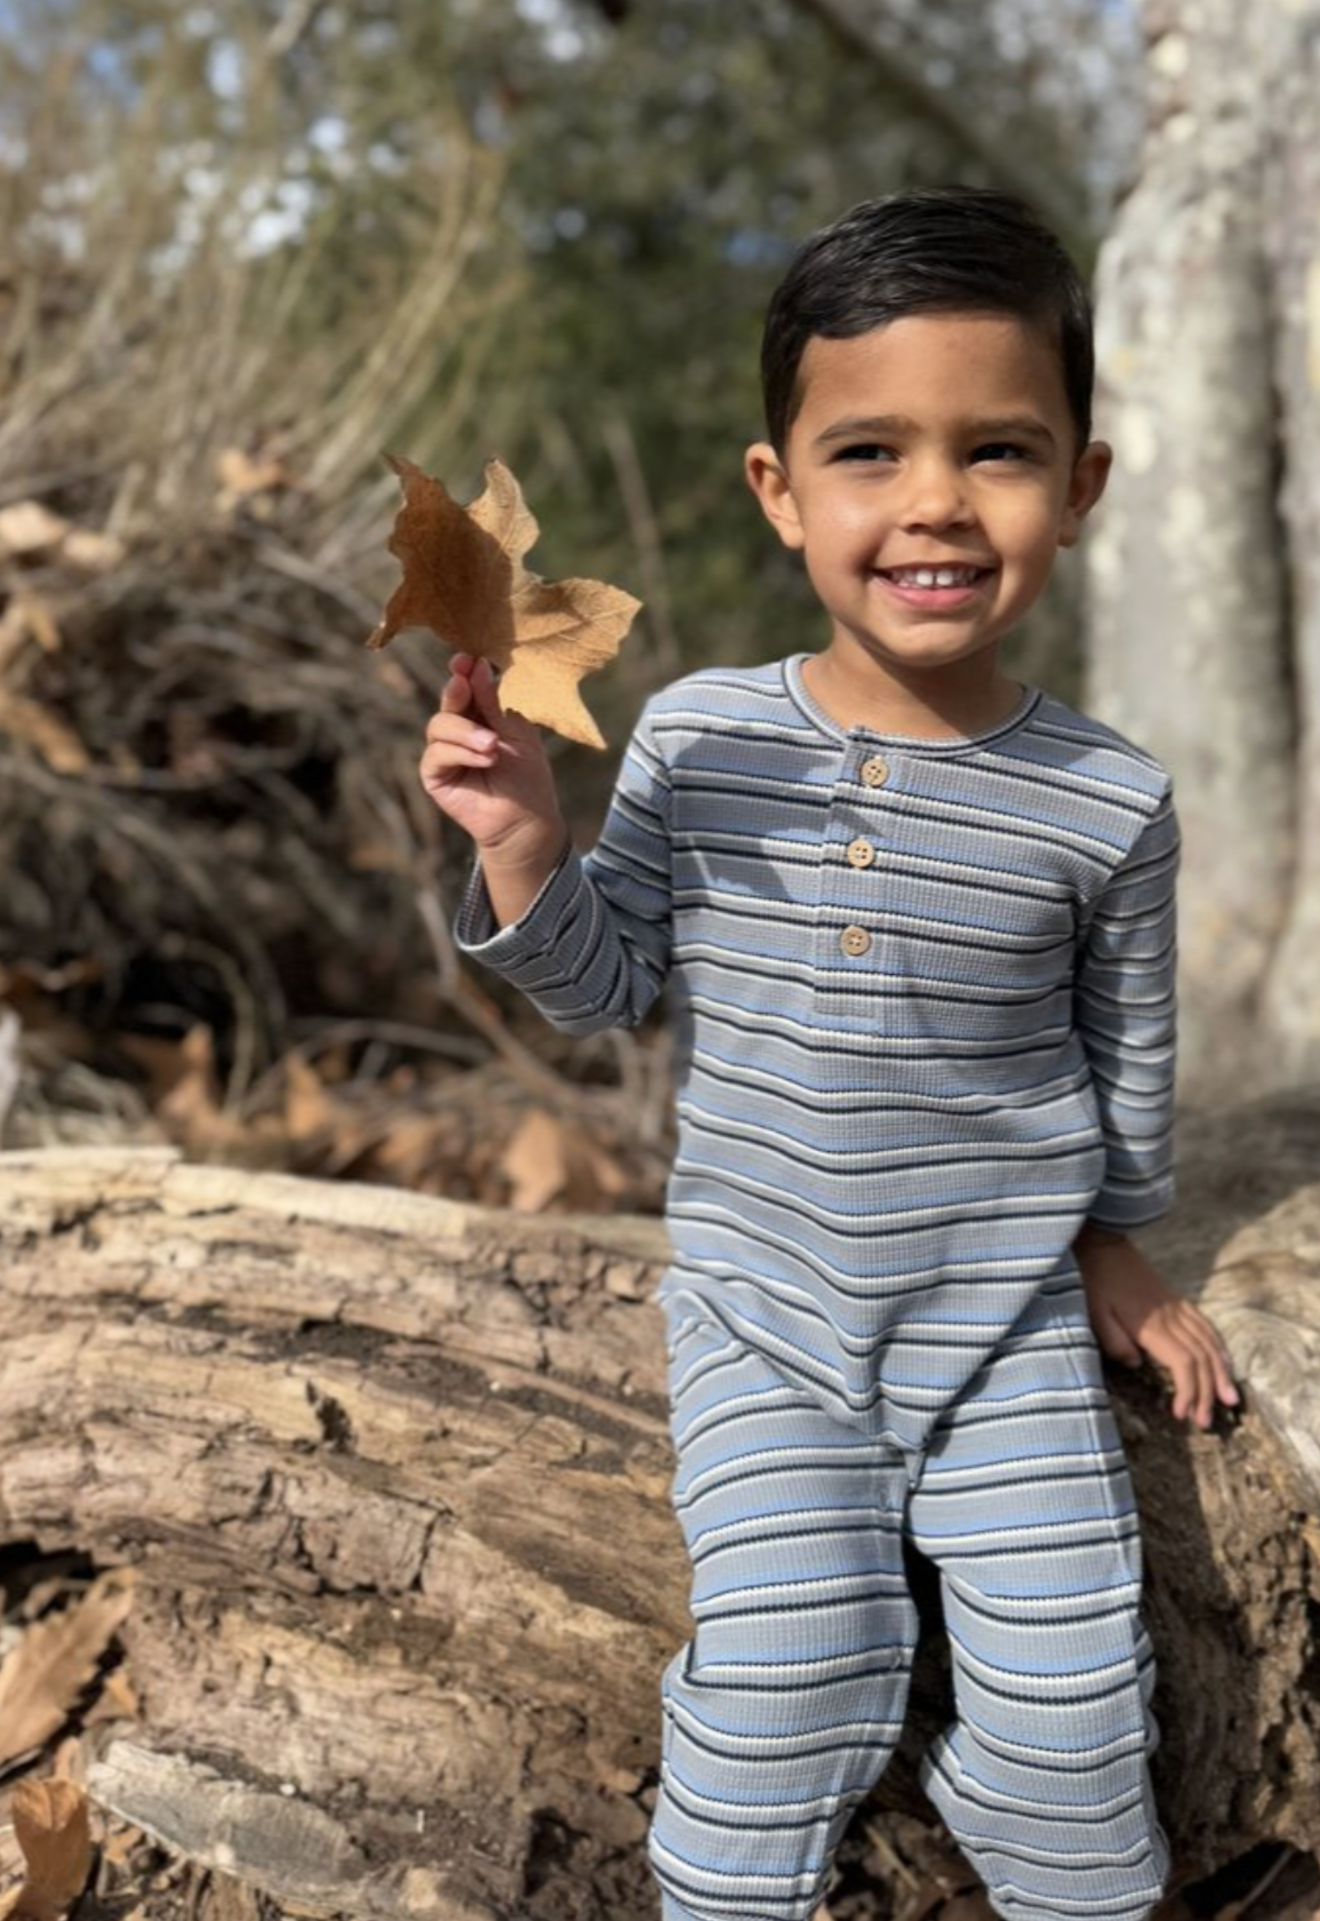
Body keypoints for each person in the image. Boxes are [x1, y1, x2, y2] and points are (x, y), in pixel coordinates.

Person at [420, 185, 1241, 1921]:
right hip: (763, 1309)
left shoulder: (1107, 802)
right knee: (790, 1665)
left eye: (999, 450)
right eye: (869, 451)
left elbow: (1130, 1043)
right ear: (780, 491)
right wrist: (526, 849)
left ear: (1082, 485)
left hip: (1002, 1319)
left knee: (1077, 1703)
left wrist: (1118, 1239)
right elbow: (606, 986)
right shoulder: (705, 739)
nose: (935, 500)